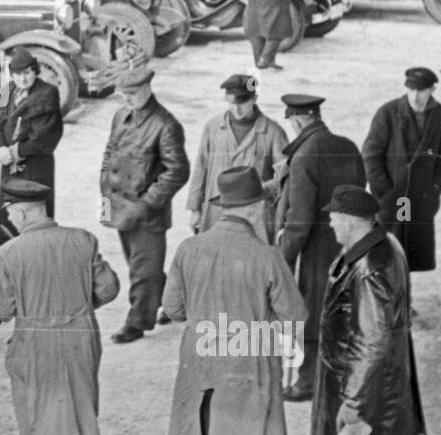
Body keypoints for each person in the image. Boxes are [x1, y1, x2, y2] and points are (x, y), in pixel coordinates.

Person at [162, 166, 306, 435]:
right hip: (248, 371)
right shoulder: (267, 256)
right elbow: (295, 314)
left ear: (222, 207)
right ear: (256, 207)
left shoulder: (188, 249)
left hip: (199, 371)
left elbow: (173, 309)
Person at [0, 178, 120, 435]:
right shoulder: (83, 240)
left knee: (37, 415)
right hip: (80, 337)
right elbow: (108, 289)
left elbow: (0, 310)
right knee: (80, 403)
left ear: (20, 211)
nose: (11, 220)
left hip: (34, 344)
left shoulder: (8, 254)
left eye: (12, 214)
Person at [306, 186, 431, 435]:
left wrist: (354, 400)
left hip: (365, 379)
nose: (331, 225)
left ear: (349, 221)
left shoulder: (370, 266)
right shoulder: (377, 245)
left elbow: (372, 340)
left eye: (334, 219)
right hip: (358, 373)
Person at [274, 94, 366, 401]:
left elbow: (299, 220)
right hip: (351, 245)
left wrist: (284, 257)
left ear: (297, 120)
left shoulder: (305, 156)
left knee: (313, 314)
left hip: (316, 250)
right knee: (345, 311)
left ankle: (307, 382)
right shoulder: (348, 147)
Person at [100, 66, 190, 344]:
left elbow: (178, 170)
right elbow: (109, 153)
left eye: (133, 93)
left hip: (146, 215)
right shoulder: (121, 116)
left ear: (148, 88)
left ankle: (137, 322)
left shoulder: (165, 125)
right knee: (141, 267)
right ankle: (174, 300)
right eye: (123, 94)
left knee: (143, 271)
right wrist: (105, 200)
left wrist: (146, 203)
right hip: (119, 207)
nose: (127, 99)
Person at [362, 67, 441, 275]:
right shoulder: (388, 112)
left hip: (422, 196)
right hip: (398, 197)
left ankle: (403, 303)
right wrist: (385, 191)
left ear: (432, 89)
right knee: (393, 250)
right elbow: (370, 154)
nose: (415, 96)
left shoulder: (439, 113)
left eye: (421, 91)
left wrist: (437, 183)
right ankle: (393, 303)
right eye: (411, 90)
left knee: (409, 254)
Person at [184, 73, 288, 242]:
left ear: (254, 98)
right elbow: (200, 168)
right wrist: (195, 209)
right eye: (231, 103)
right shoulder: (213, 127)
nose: (236, 109)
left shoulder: (273, 132)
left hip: (253, 216)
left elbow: (286, 177)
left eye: (242, 103)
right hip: (215, 212)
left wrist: (260, 189)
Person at [0, 45, 63, 224]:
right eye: (18, 73)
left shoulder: (47, 93)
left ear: (35, 71)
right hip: (8, 166)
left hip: (34, 167)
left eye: (28, 72)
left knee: (33, 217)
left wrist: (14, 153)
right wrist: (0, 149)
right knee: (9, 216)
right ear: (12, 74)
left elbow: (44, 138)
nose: (23, 78)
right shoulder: (7, 90)